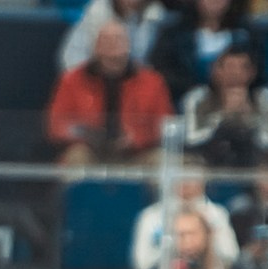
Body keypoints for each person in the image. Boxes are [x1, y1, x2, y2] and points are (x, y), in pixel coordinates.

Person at [48, 22, 174, 166]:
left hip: (138, 154)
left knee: (163, 161)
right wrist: (89, 135)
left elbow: (165, 126)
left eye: (118, 40)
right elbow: (56, 125)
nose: (112, 47)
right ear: (95, 46)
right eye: (106, 41)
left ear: (128, 45)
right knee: (75, 157)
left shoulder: (152, 82)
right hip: (90, 151)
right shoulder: (72, 80)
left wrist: (136, 138)